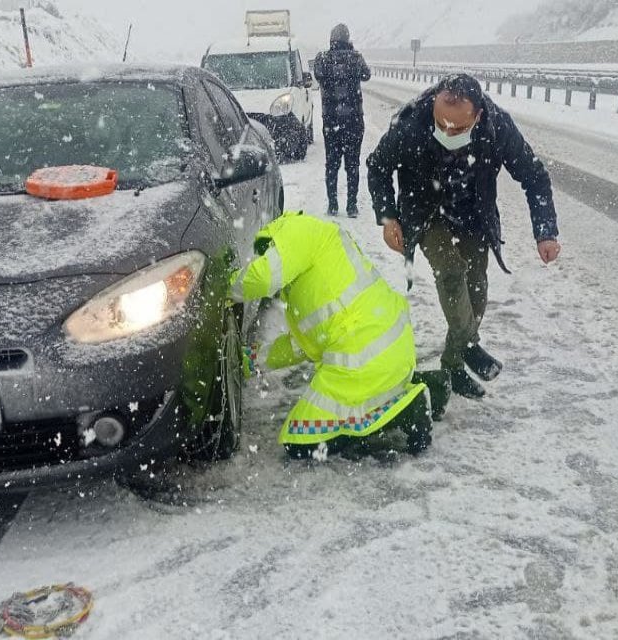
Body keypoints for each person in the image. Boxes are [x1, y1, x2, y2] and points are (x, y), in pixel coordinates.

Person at [367, 74, 562, 400]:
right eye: (440, 124)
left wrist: (545, 232)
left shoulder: (497, 127)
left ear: (478, 116)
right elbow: (378, 166)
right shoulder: (412, 123)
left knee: (477, 290)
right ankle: (470, 344)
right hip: (427, 213)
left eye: (457, 129)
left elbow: (534, 176)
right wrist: (388, 219)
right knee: (452, 272)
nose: (446, 133)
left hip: (474, 215)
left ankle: (454, 363)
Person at [229, 211, 440, 459]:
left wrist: (223, 286)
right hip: (388, 346)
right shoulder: (318, 263)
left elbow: (263, 278)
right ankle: (430, 386)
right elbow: (303, 345)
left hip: (363, 355)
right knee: (369, 392)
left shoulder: (296, 232)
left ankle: (410, 409)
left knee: (300, 442)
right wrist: (250, 361)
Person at [311, 23, 371, 218]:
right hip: (354, 122)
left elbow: (318, 76)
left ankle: (333, 205)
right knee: (352, 165)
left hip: (331, 122)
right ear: (347, 40)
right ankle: (352, 206)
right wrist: (351, 53)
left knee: (332, 164)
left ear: (331, 40)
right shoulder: (355, 58)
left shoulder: (322, 59)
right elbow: (366, 74)